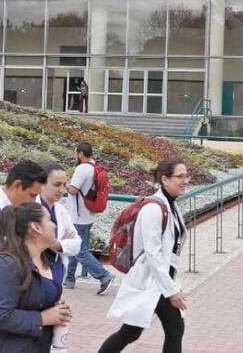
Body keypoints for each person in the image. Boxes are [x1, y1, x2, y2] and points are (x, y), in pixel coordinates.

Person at [99, 159, 190, 353]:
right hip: (151, 280)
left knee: (169, 329)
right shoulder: (154, 209)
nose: (186, 181)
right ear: (165, 180)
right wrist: (171, 290)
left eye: (186, 176)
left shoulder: (171, 206)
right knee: (134, 332)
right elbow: (152, 253)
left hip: (161, 280)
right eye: (180, 176)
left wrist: (171, 284)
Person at [0, 202, 72, 352]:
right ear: (36, 227)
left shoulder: (44, 259)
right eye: (49, 220)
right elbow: (1, 315)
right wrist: (44, 318)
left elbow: (36, 300)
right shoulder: (6, 265)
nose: (54, 225)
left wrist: (57, 309)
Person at [64, 142, 114, 294]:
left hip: (78, 216)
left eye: (75, 153)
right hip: (88, 215)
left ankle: (104, 275)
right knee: (74, 246)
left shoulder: (82, 168)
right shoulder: (94, 167)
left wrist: (65, 183)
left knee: (79, 250)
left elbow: (73, 190)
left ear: (80, 154)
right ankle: (69, 279)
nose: (74, 155)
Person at [38, 162, 81, 272]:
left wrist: (57, 244)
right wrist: (63, 244)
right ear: (41, 183)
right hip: (35, 271)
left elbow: (77, 245)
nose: (61, 190)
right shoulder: (29, 208)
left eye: (64, 185)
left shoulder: (61, 210)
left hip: (57, 270)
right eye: (57, 185)